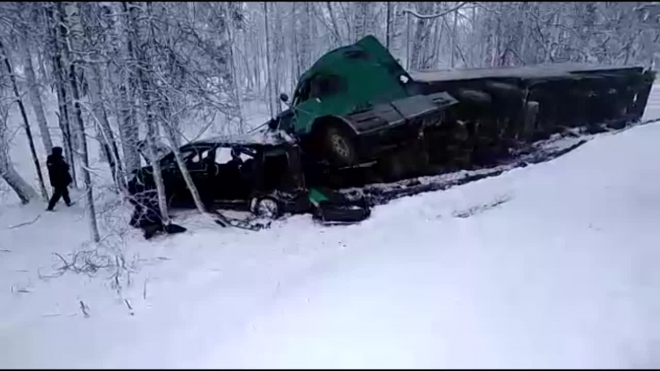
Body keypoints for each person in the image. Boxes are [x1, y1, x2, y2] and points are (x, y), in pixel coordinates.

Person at [46, 146, 73, 211]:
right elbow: (57, 170)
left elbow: (62, 168)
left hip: (61, 180)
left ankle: (68, 202)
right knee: (57, 194)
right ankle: (50, 207)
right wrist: (65, 167)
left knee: (65, 192)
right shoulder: (52, 160)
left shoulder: (58, 159)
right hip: (58, 180)